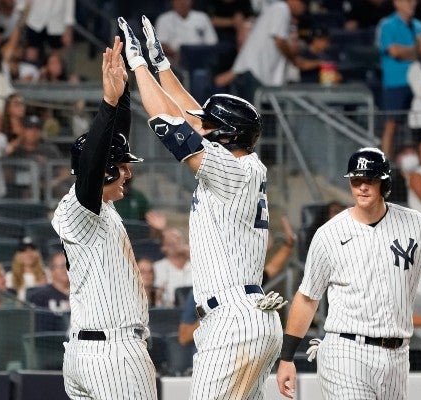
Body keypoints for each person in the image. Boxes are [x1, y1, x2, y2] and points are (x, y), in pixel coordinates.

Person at [120, 17, 284, 399]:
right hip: (247, 316)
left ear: (227, 135)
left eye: (212, 127)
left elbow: (167, 122)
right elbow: (193, 115)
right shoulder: (243, 163)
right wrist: (163, 67)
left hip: (232, 321)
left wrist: (139, 66)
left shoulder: (230, 170)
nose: (202, 127)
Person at [275, 147, 421, 399]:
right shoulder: (329, 234)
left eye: (369, 180)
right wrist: (287, 357)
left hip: (397, 356)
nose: (362, 187)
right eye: (356, 180)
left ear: (384, 183)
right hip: (345, 350)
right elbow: (308, 297)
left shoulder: (415, 224)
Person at [51, 36, 157, 399]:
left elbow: (112, 144)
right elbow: (94, 165)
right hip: (112, 354)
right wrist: (108, 102)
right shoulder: (78, 207)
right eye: (122, 169)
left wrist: (122, 93)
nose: (128, 174)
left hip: (89, 353)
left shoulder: (101, 207)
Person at [215, 0, 310, 102]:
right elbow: (279, 41)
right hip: (253, 73)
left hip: (254, 73)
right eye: (302, 3)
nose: (303, 8)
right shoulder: (281, 8)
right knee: (252, 114)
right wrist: (294, 59)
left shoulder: (276, 9)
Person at [377, 0, 421, 158]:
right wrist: (418, 52)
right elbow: (394, 52)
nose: (411, 4)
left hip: (420, 82)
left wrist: (407, 52)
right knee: (391, 123)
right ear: (397, 3)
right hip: (396, 82)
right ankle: (385, 164)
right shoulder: (387, 25)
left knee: (420, 123)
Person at [154, 0, 218, 66]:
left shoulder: (202, 17)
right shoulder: (163, 19)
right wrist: (176, 55)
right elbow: (161, 44)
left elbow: (212, 42)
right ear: (172, 2)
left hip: (201, 59)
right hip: (175, 61)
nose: (182, 2)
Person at [28, 251, 71, 331]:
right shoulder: (40, 297)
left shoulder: (82, 294)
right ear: (52, 271)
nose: (66, 269)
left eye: (68, 265)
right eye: (62, 266)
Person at [153, 228, 192, 308]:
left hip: (197, 313)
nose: (175, 243)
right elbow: (156, 299)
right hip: (170, 313)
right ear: (163, 248)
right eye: (171, 243)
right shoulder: (157, 268)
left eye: (178, 240)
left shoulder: (196, 265)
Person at [5, 236, 48, 301]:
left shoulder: (47, 273)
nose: (28, 254)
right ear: (18, 255)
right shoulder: (10, 276)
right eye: (24, 251)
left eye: (32, 250)